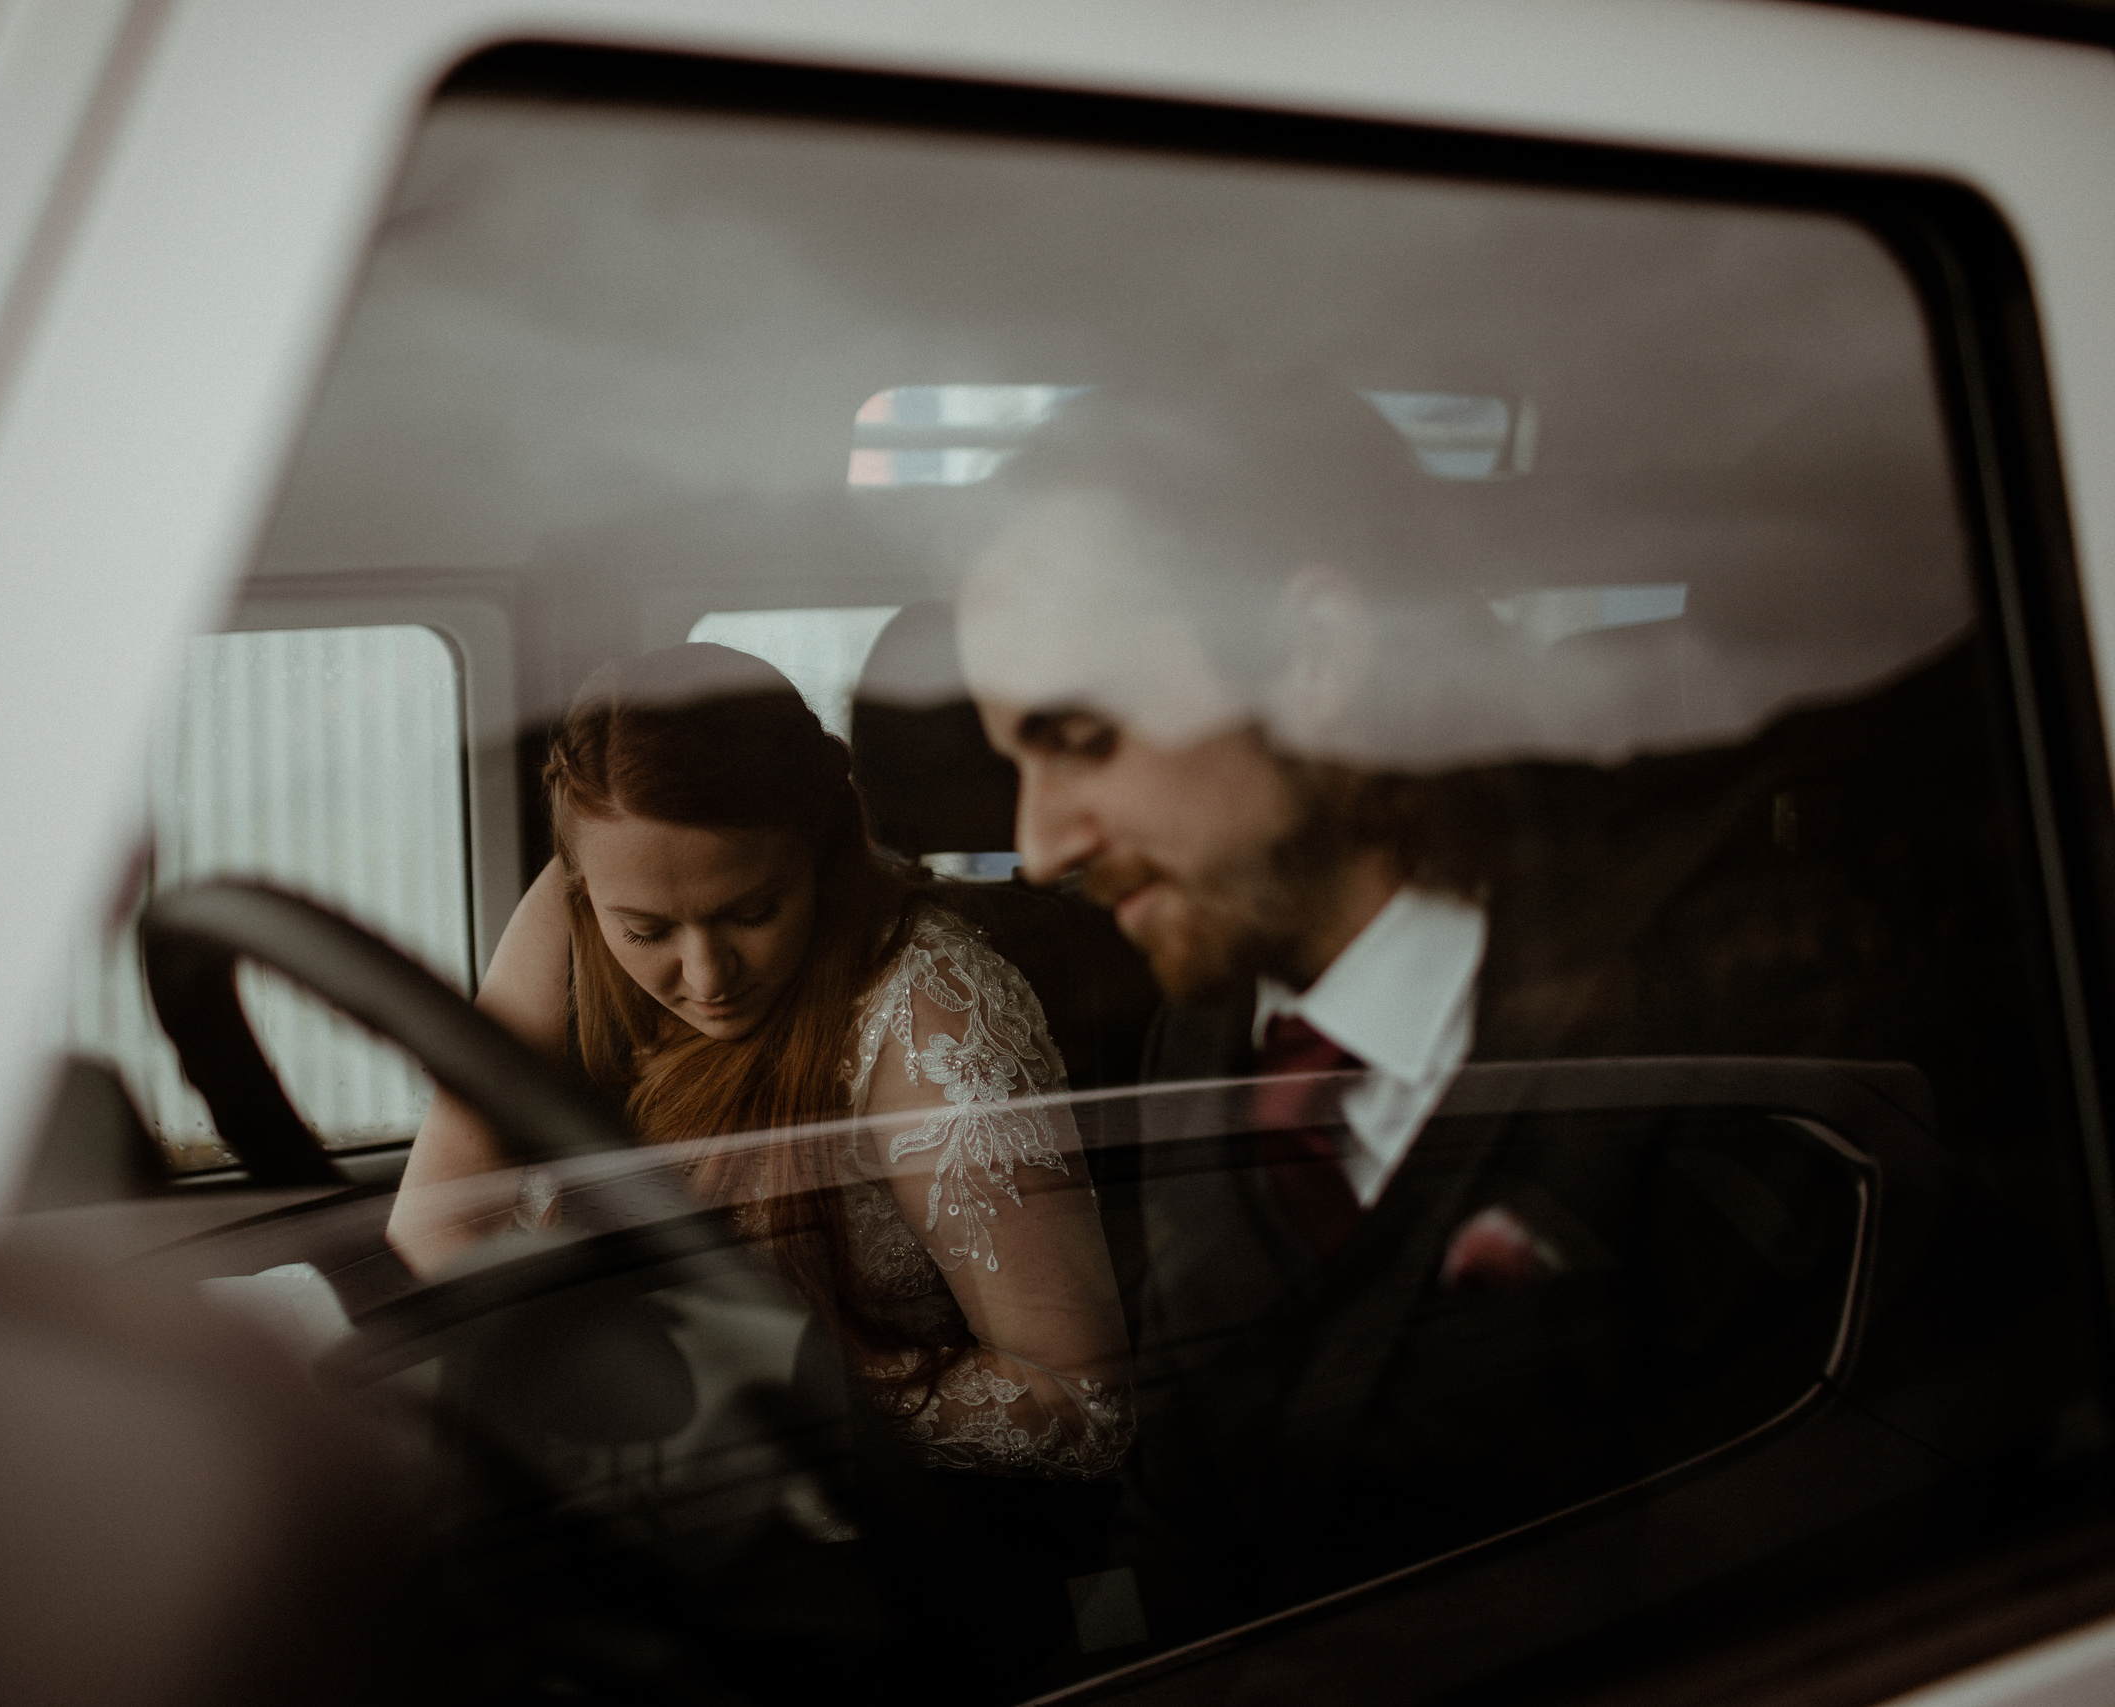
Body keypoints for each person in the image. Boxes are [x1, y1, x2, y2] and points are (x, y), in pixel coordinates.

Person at [953, 379, 2023, 1635]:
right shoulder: (1207, 1041)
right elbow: (1195, 1511)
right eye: (1010, 762)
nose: (1036, 846)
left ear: (1316, 656)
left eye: (1080, 737)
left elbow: (1815, 1602)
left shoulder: (1740, 1050)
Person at [389, 642, 1131, 1481]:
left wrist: (768, 1382)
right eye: (647, 932)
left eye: (752, 911)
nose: (706, 976)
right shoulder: (574, 906)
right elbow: (435, 1219)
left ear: (818, 851)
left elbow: (1080, 1407)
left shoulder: (927, 1007)